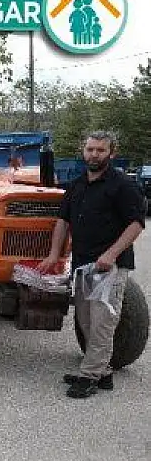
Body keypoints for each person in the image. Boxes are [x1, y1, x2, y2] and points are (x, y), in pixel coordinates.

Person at [39, 131, 145, 399]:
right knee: (84, 319)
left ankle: (89, 376)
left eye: (100, 150)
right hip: (82, 266)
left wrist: (111, 254)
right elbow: (63, 222)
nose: (94, 154)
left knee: (102, 323)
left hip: (109, 267)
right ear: (82, 151)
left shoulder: (123, 185)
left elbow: (136, 224)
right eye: (90, 149)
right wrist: (54, 255)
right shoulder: (76, 186)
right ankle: (102, 371)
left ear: (112, 153)